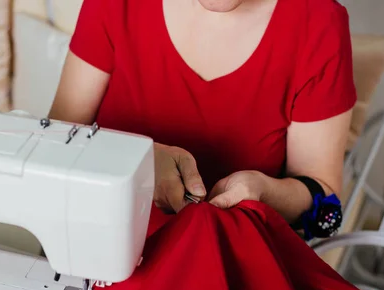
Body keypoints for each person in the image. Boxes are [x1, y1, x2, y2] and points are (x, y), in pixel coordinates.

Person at [49, 0, 356, 225]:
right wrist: (134, 164)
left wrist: (265, 191)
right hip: (98, 244)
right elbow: (51, 148)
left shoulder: (318, 23)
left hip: (230, 264)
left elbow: (322, 194)